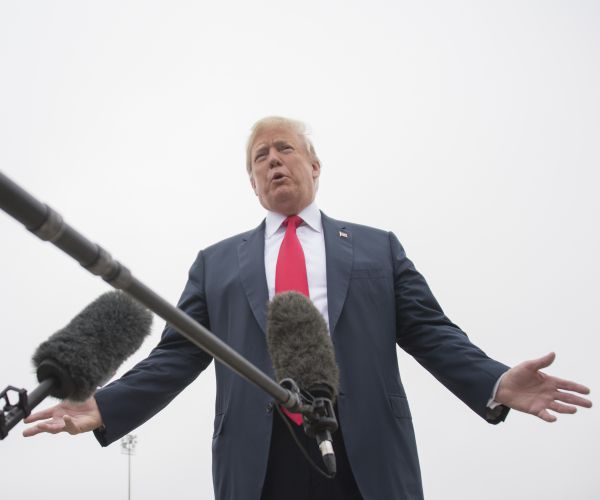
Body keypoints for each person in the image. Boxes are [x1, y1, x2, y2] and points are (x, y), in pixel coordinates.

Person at [23, 117, 592, 500]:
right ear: (252, 183)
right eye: (260, 157)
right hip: (261, 459)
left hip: (365, 451)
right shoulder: (215, 264)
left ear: (314, 167)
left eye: (285, 149)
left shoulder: (377, 248)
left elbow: (431, 331)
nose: (273, 160)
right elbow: (178, 355)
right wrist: (106, 404)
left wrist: (495, 381)